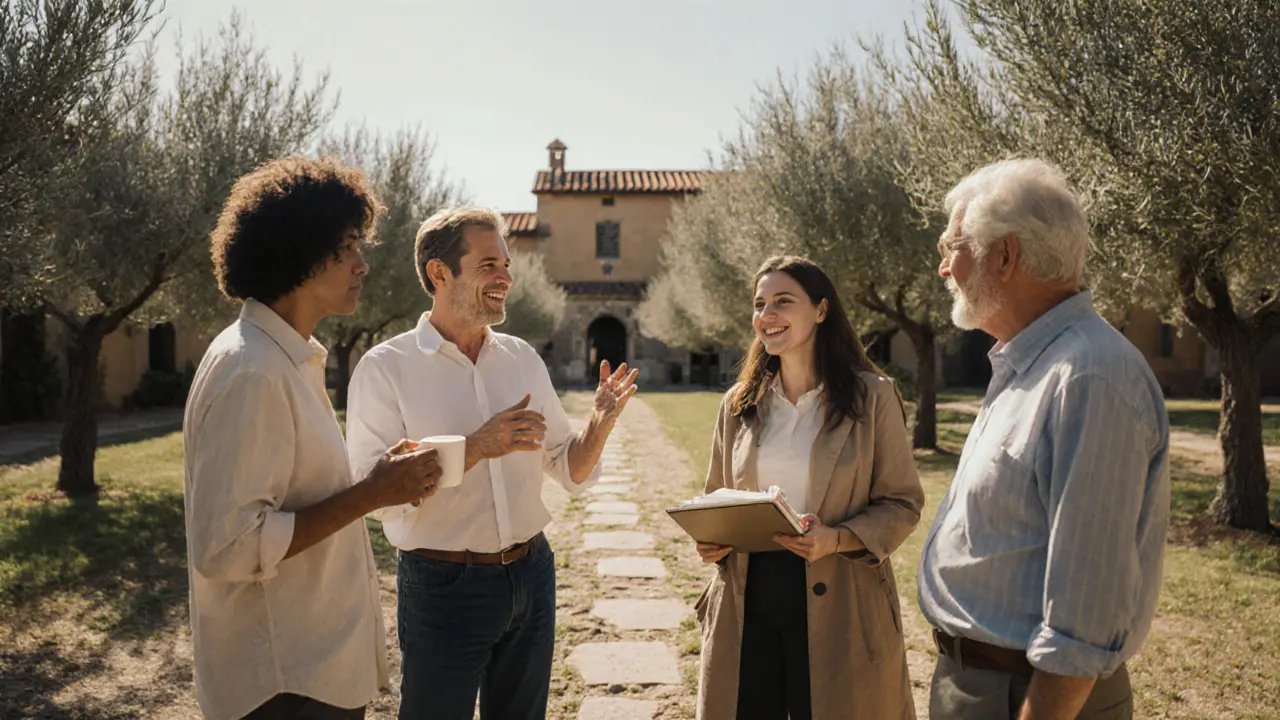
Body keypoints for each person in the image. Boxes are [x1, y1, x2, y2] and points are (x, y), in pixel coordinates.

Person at [345, 206, 639, 720]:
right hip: (443, 587)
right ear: (439, 273)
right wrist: (476, 446)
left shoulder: (522, 358)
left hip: (532, 575)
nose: (506, 277)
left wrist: (600, 423)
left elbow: (567, 467)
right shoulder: (385, 369)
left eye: (506, 264)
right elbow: (376, 496)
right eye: (488, 265)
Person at [184, 157, 444, 720]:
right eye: (347, 247)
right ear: (300, 251)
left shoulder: (282, 358)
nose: (362, 265)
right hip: (284, 685)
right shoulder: (253, 371)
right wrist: (371, 494)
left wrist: (378, 482)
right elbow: (227, 547)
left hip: (307, 671)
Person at [918, 159, 1171, 720]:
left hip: (1027, 696)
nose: (943, 267)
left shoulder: (1089, 377)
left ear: (1004, 256)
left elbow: (1086, 612)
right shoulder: (1031, 363)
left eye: (952, 246)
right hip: (984, 687)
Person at [694, 255, 924, 720]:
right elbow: (717, 495)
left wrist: (835, 539)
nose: (767, 315)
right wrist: (711, 538)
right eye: (760, 304)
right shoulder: (737, 404)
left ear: (821, 310)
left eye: (783, 301)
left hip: (842, 599)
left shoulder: (873, 397)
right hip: (747, 600)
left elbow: (902, 503)